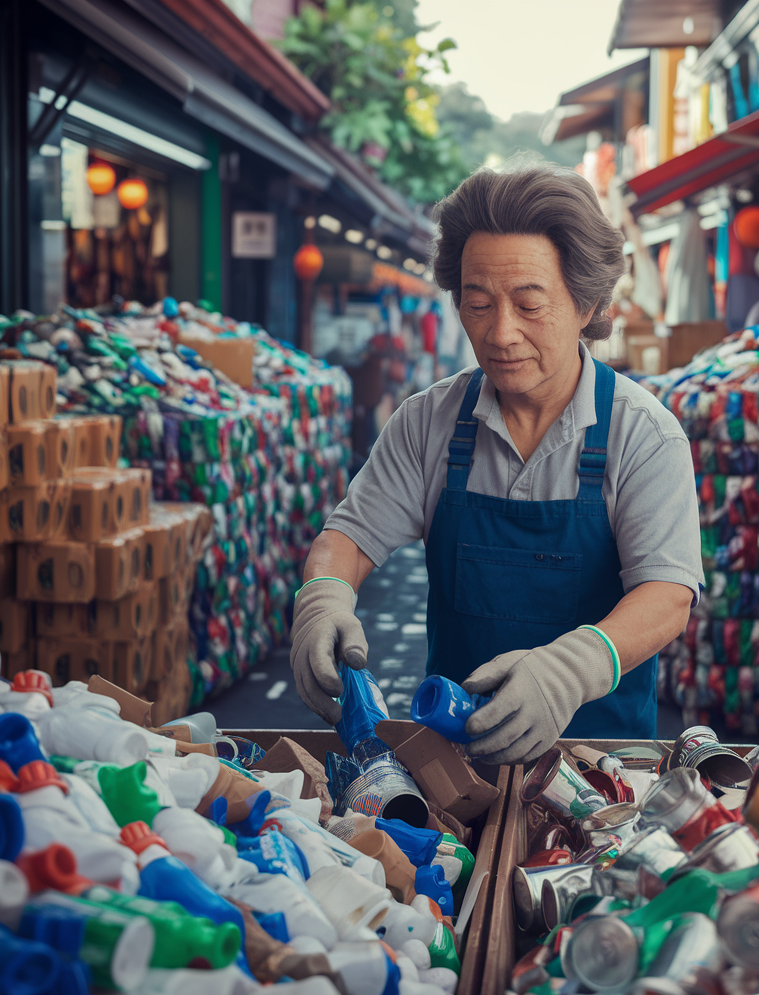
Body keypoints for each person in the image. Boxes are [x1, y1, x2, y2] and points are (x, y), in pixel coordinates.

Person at [291, 164, 703, 764]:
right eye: (478, 304)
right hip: (453, 762)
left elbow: (668, 593)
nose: (500, 332)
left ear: (587, 303)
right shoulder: (428, 422)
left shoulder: (643, 435)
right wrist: (324, 596)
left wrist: (571, 669)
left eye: (529, 305)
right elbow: (350, 535)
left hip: (602, 766)